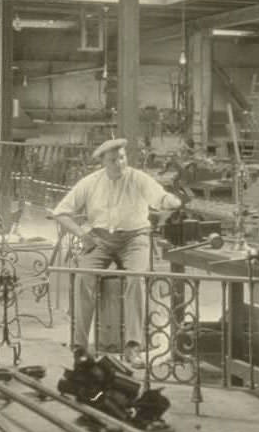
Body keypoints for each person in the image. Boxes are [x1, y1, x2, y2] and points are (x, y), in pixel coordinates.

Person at [52, 137, 181, 365]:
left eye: (122, 157)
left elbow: (159, 196)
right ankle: (80, 346)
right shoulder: (90, 183)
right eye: (113, 160)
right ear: (103, 162)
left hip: (135, 237)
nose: (120, 163)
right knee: (83, 278)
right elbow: (60, 212)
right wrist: (82, 235)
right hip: (100, 239)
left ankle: (133, 346)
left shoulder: (138, 179)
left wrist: (170, 201)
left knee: (136, 279)